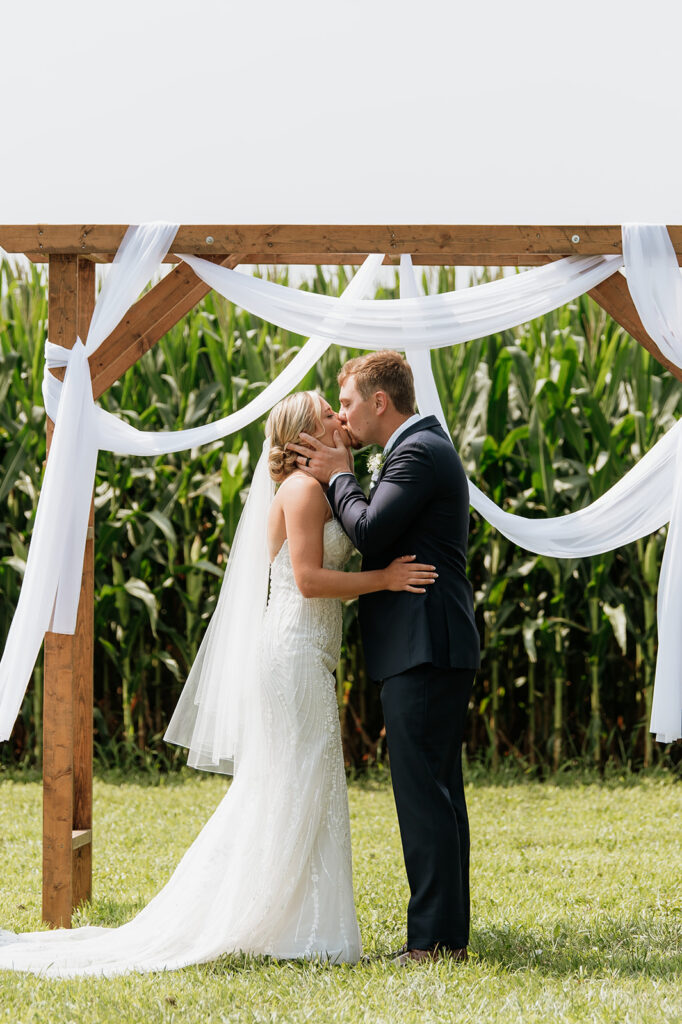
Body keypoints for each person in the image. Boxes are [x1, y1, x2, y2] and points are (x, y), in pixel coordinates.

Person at [0, 390, 436, 978]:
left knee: (302, 782)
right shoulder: (303, 491)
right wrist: (384, 579)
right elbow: (307, 581)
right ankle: (290, 926)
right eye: (328, 413)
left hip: (308, 653)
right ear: (306, 436)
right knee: (301, 779)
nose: (339, 417)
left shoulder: (321, 489)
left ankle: (300, 923)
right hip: (293, 651)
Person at [286, 352, 480, 965]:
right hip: (429, 643)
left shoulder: (418, 451)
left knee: (424, 795)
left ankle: (429, 943)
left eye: (346, 403)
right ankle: (447, 934)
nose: (342, 415)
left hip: (426, 644)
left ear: (378, 402)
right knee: (438, 791)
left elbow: (369, 533)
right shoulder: (415, 449)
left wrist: (340, 473)